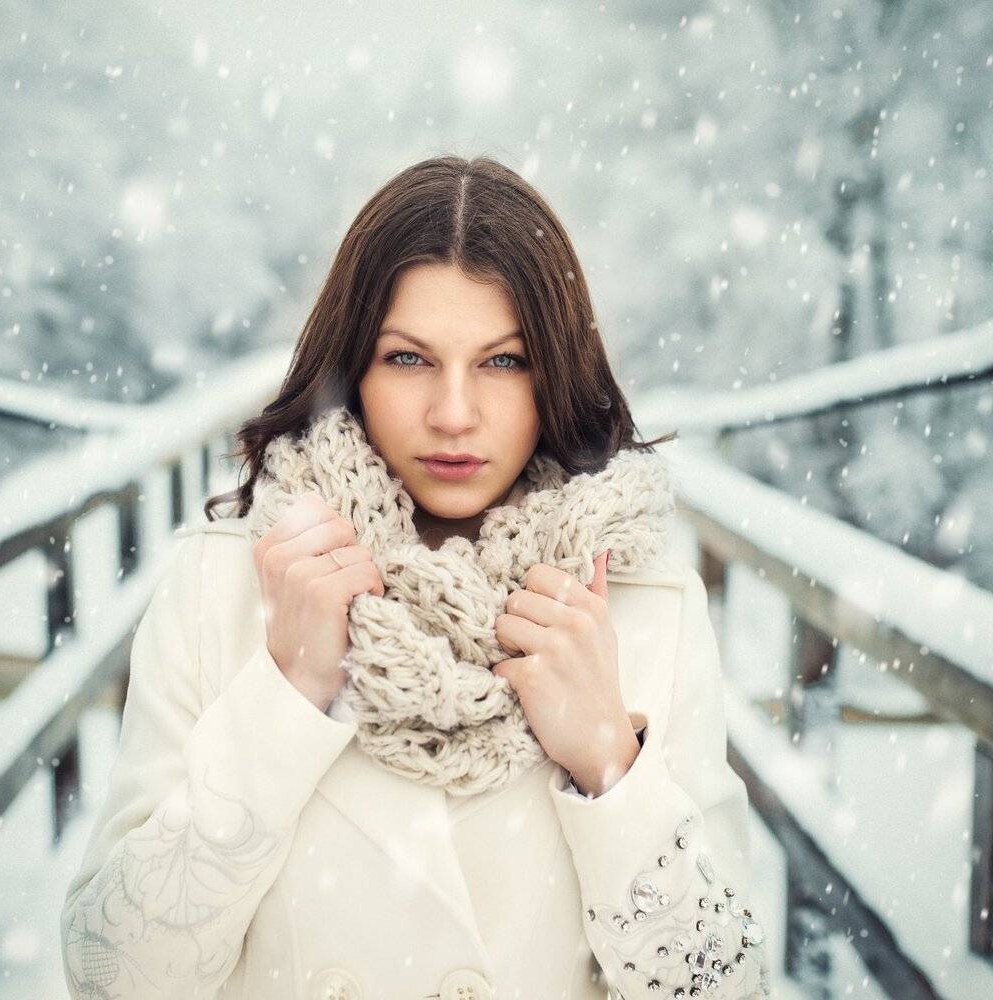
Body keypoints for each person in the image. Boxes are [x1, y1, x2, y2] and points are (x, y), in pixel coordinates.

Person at [60, 155, 770, 1000]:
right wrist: (284, 700)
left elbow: (728, 990)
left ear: (556, 375)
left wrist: (611, 766)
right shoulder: (226, 588)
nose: (454, 413)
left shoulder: (644, 611)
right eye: (408, 358)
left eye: (503, 362)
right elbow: (116, 980)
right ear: (349, 365)